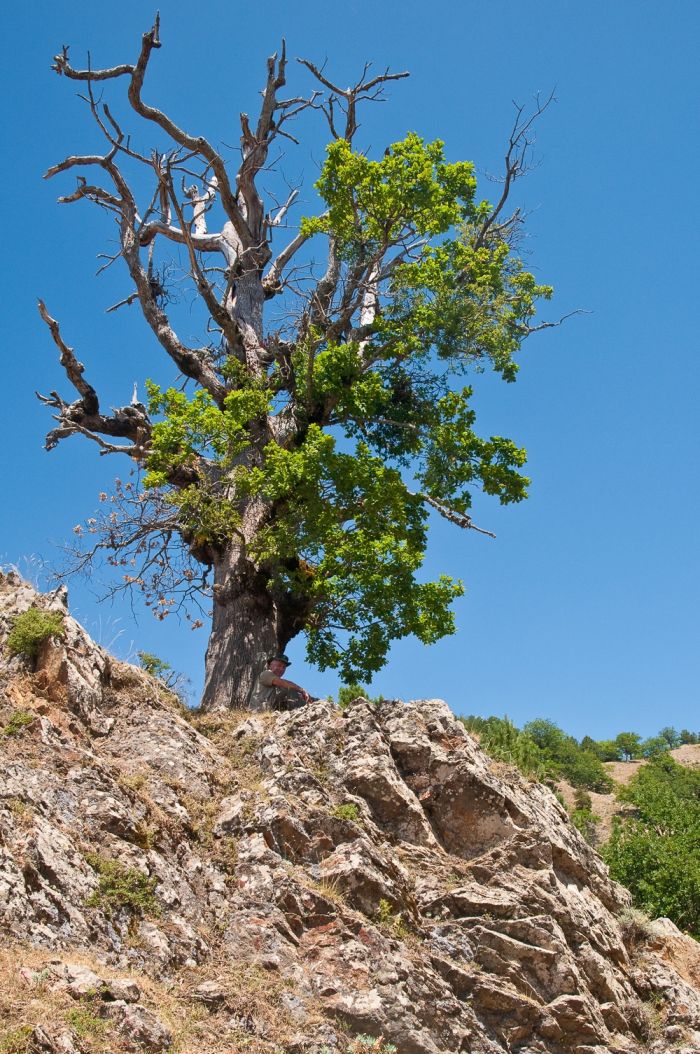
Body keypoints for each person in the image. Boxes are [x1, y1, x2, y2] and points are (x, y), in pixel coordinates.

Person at [248, 654, 313, 712]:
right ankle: (304, 712)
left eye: (284, 667)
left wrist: (302, 696)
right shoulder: (266, 674)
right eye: (279, 665)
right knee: (290, 690)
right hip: (259, 710)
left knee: (296, 696)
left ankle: (312, 705)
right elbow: (285, 684)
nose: (281, 669)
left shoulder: (277, 685)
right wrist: (302, 690)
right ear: (269, 666)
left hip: (270, 709)